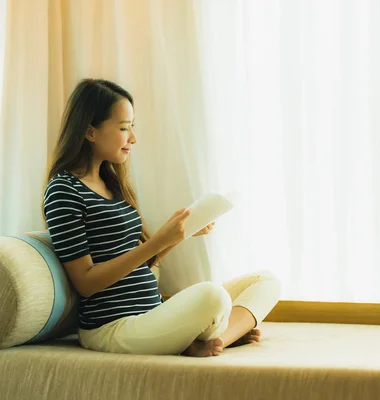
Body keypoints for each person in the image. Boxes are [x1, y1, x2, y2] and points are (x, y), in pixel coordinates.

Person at [42, 78, 281, 357]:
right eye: (123, 128)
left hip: (153, 313)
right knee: (212, 297)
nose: (133, 137)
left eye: (133, 126)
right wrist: (157, 241)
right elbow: (86, 282)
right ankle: (216, 334)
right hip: (113, 326)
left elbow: (144, 261)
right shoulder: (63, 190)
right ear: (90, 132)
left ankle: (216, 339)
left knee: (265, 281)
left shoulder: (113, 185)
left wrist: (182, 232)